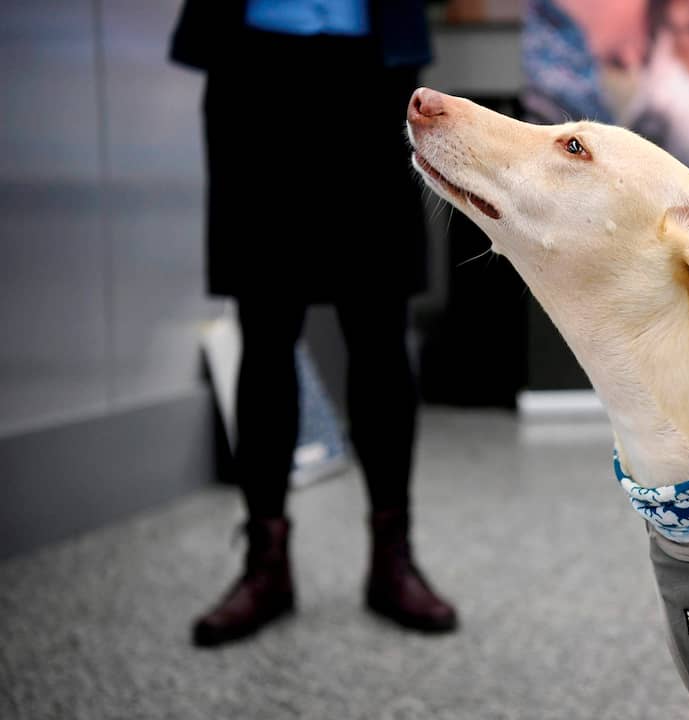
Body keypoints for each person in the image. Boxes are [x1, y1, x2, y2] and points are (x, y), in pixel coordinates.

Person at [169, 0, 458, 647]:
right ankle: (264, 565)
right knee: (265, 328)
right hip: (253, 65)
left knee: (381, 325)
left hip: (372, 65)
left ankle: (393, 559)